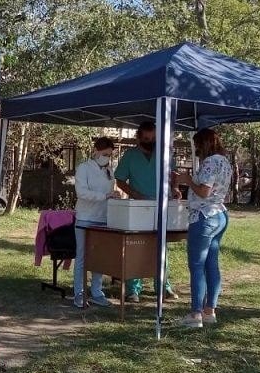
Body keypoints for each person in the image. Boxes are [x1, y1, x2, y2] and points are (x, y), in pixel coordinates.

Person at [114, 120, 181, 303]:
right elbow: (120, 180)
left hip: (162, 206)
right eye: (146, 139)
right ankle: (133, 290)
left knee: (161, 248)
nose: (150, 142)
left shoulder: (164, 153)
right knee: (136, 246)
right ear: (138, 138)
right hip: (139, 207)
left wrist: (175, 188)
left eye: (153, 138)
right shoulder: (130, 155)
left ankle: (163, 286)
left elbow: (173, 174)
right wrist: (135, 194)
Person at [174, 128, 232, 328]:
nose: (196, 150)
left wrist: (187, 180)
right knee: (211, 264)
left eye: (197, 145)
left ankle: (195, 313)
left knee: (197, 265)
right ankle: (209, 311)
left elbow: (204, 192)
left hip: (204, 215)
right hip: (220, 214)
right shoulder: (225, 162)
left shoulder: (209, 163)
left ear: (204, 144)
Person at [72, 136, 118, 309]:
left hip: (102, 219)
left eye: (109, 155)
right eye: (105, 154)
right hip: (85, 218)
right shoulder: (83, 168)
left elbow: (110, 192)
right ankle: (79, 293)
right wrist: (104, 196)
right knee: (82, 256)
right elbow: (82, 192)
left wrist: (113, 197)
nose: (107, 158)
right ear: (96, 151)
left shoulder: (109, 171)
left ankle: (97, 292)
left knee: (99, 257)